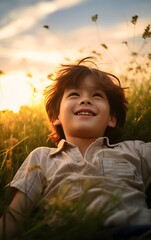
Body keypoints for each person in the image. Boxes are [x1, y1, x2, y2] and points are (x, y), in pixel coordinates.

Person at [0, 57, 151, 239]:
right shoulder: (42, 157)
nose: (86, 100)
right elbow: (14, 217)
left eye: (97, 95)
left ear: (112, 118)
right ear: (56, 116)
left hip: (138, 231)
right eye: (74, 95)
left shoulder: (135, 150)